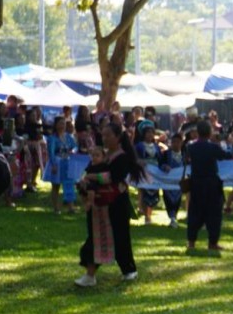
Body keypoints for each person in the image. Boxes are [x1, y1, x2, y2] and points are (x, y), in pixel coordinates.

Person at [74, 120, 145, 287]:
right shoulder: (100, 155)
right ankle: (90, 274)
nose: (104, 138)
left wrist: (91, 177)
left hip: (116, 204)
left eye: (108, 135)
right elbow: (89, 171)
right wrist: (84, 182)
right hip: (97, 205)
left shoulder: (122, 157)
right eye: (103, 135)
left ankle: (129, 270)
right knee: (94, 238)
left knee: (120, 238)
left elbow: (112, 178)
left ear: (118, 137)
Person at [187, 119, 233, 252]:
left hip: (196, 182)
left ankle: (191, 241)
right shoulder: (213, 147)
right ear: (209, 132)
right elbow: (227, 155)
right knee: (214, 213)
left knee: (194, 212)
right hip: (211, 183)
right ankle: (212, 242)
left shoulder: (191, 147)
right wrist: (228, 144)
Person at [45, 115, 78, 214]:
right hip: (57, 162)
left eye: (64, 124)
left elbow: (75, 146)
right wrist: (53, 164)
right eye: (60, 123)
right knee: (56, 186)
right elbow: (51, 152)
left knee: (69, 184)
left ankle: (71, 207)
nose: (62, 126)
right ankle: (56, 208)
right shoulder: (52, 138)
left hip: (67, 162)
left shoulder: (68, 136)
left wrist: (73, 151)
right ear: (56, 125)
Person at [134, 120, 161, 224]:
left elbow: (160, 159)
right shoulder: (139, 146)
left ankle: (150, 213)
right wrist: (139, 161)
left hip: (155, 172)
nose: (150, 134)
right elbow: (135, 157)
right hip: (144, 172)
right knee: (145, 192)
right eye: (147, 132)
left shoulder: (156, 146)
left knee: (153, 193)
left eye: (151, 132)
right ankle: (146, 215)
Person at [159, 132, 185, 228]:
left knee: (177, 200)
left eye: (178, 142)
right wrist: (165, 167)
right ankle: (172, 217)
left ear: (181, 143)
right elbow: (160, 164)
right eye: (173, 142)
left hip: (179, 182)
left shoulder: (185, 155)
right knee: (168, 199)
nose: (175, 144)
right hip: (168, 182)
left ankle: (174, 217)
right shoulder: (166, 154)